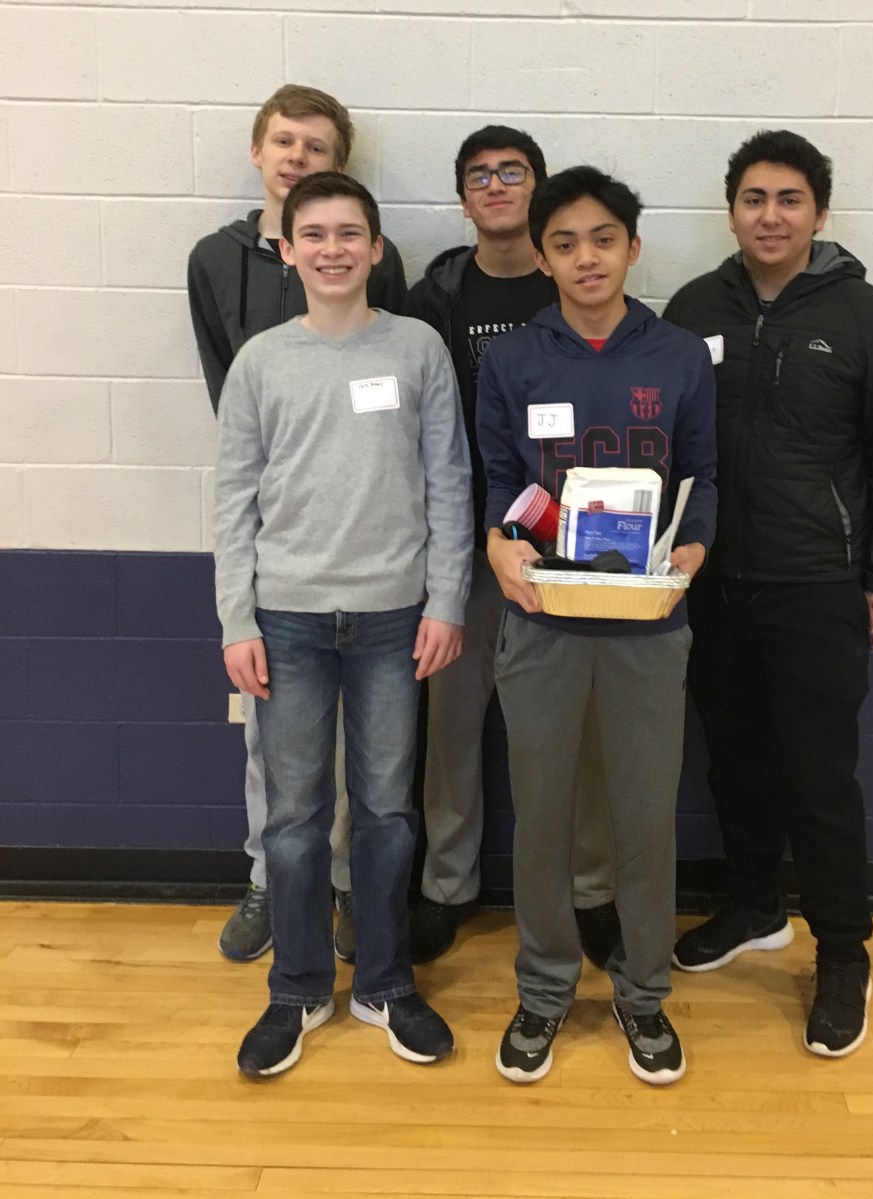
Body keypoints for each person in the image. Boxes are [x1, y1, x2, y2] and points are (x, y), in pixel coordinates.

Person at [664, 129, 873, 1058]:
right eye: (754, 199)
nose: (770, 216)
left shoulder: (863, 315)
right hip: (712, 584)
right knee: (734, 762)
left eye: (789, 200)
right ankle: (753, 906)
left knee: (818, 779)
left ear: (819, 212)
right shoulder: (695, 307)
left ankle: (843, 952)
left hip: (818, 585)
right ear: (730, 210)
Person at [213, 171, 471, 1077]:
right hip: (285, 618)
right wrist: (236, 618)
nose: (333, 249)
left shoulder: (418, 348)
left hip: (394, 618)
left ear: (376, 247)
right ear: (288, 250)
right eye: (314, 234)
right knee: (293, 817)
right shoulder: (260, 361)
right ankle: (297, 987)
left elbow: (449, 481)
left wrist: (446, 599)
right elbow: (232, 500)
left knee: (388, 810)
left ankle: (385, 983)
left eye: (349, 233)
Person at [477, 166, 717, 1086]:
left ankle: (643, 993)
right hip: (543, 618)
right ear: (542, 257)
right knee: (541, 815)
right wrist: (499, 544)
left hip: (646, 624)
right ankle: (543, 989)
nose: (587, 258)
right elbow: (501, 480)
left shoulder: (678, 354)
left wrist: (693, 549)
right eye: (566, 243)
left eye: (604, 239)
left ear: (633, 248)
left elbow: (703, 473)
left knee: (644, 819)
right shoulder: (513, 359)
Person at [188, 84, 407, 964]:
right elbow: (230, 403)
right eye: (284, 141)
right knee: (272, 742)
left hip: (371, 558)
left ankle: (347, 885)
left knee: (369, 758)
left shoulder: (379, 269)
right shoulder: (215, 259)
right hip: (281, 554)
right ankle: (270, 882)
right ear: (258, 151)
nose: (297, 158)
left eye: (317, 147)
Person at [405, 126, 620, 968]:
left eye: (513, 172)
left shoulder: (577, 285)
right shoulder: (433, 300)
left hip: (568, 552)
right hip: (463, 549)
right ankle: (446, 885)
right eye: (479, 176)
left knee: (579, 732)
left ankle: (590, 889)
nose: (496, 185)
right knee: (452, 729)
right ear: (463, 199)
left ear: (537, 188)